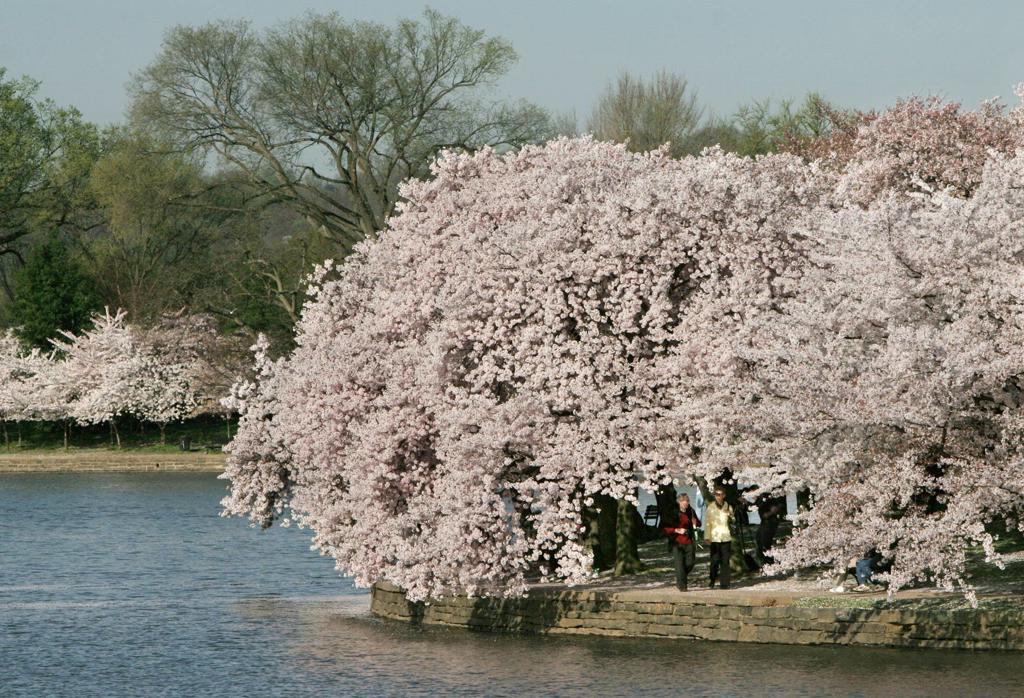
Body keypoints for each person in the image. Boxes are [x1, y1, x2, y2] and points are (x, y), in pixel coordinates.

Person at [662, 493, 701, 591]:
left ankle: (680, 578)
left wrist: (695, 522)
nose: (687, 503)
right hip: (677, 542)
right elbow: (664, 528)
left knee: (690, 563)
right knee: (679, 565)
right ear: (679, 502)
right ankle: (682, 587)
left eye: (688, 501)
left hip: (689, 541)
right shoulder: (673, 513)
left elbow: (698, 523)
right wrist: (676, 530)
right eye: (684, 501)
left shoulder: (690, 511)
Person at [705, 486, 735, 589]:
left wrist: (731, 516)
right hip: (715, 537)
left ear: (724, 495)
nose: (718, 496)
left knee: (725, 561)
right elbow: (707, 523)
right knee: (715, 560)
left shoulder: (727, 506)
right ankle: (712, 579)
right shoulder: (710, 507)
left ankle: (725, 583)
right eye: (716, 494)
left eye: (720, 494)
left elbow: (733, 520)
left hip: (726, 537)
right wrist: (707, 537)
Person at [755, 495, 782, 565]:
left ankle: (769, 559)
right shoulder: (758, 500)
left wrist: (770, 513)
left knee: (766, 541)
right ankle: (765, 559)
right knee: (759, 539)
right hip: (763, 522)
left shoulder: (770, 499)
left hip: (770, 523)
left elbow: (776, 508)